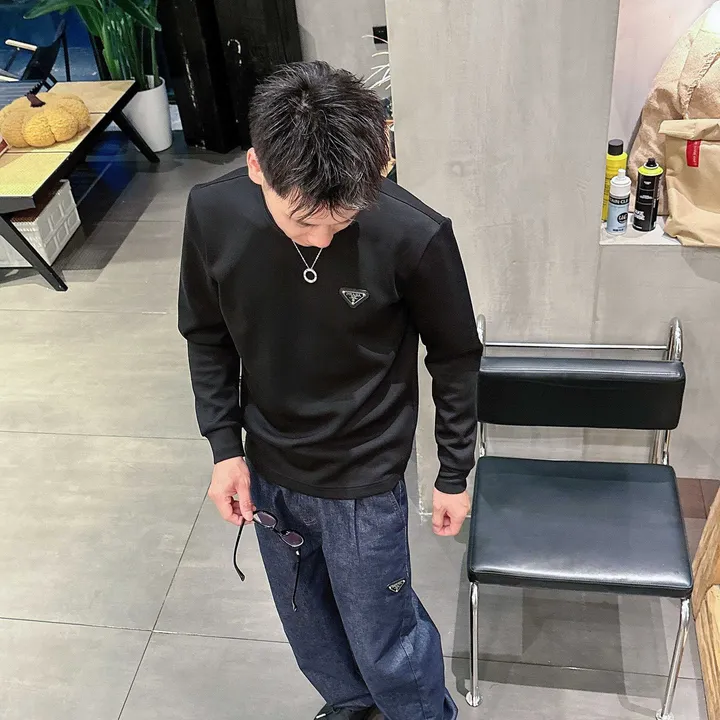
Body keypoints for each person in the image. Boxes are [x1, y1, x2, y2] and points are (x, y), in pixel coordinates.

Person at [178, 61, 482, 720]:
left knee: (386, 641)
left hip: (365, 477)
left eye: (339, 223)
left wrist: (454, 471)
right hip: (270, 468)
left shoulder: (414, 233)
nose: (320, 239)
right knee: (309, 630)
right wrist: (225, 449)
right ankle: (352, 711)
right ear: (257, 167)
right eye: (302, 222)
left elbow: (456, 357)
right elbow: (206, 335)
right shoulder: (212, 212)